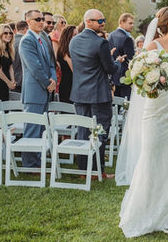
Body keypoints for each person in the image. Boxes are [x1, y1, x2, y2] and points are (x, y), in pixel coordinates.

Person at [119, 6, 168, 238]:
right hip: (155, 112)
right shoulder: (153, 46)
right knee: (150, 158)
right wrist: (153, 82)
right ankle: (142, 211)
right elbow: (138, 77)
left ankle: (166, 212)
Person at [70, 9, 124, 178]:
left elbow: (87, 64)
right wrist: (118, 62)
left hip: (79, 93)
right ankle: (97, 170)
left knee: (83, 131)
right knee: (100, 131)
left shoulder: (74, 41)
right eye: (100, 21)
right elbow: (109, 68)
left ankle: (83, 171)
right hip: (98, 93)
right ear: (89, 22)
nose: (103, 23)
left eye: (104, 20)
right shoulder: (101, 43)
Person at [19, 10, 57, 168]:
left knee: (41, 129)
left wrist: (53, 79)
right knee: (32, 129)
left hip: (45, 90)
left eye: (43, 19)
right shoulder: (27, 41)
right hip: (34, 92)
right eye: (38, 19)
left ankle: (38, 161)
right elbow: (34, 67)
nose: (42, 22)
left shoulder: (41, 39)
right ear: (28, 21)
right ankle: (30, 165)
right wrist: (48, 83)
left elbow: (50, 63)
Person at [108, 13, 135, 99]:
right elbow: (131, 60)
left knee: (116, 105)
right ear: (122, 22)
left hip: (114, 76)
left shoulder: (111, 35)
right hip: (125, 78)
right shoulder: (127, 39)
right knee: (125, 106)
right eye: (130, 23)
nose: (132, 25)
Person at [56, 26, 77, 103]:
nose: (77, 37)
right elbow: (74, 70)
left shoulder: (67, 50)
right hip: (68, 86)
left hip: (71, 85)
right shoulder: (65, 53)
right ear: (68, 36)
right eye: (74, 34)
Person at [13, 20, 28, 92]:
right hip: (21, 80)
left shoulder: (10, 41)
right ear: (25, 29)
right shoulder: (25, 42)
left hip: (11, 79)